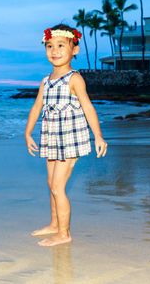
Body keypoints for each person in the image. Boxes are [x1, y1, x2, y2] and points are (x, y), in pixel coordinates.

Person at [24, 23, 107, 247]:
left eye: (61, 45)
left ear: (75, 49)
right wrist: (28, 131)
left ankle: (64, 233)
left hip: (70, 140)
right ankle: (54, 224)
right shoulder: (45, 81)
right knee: (50, 182)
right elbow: (36, 107)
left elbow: (88, 107)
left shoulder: (74, 79)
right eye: (50, 45)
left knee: (58, 187)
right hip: (52, 139)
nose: (55, 50)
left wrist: (98, 136)